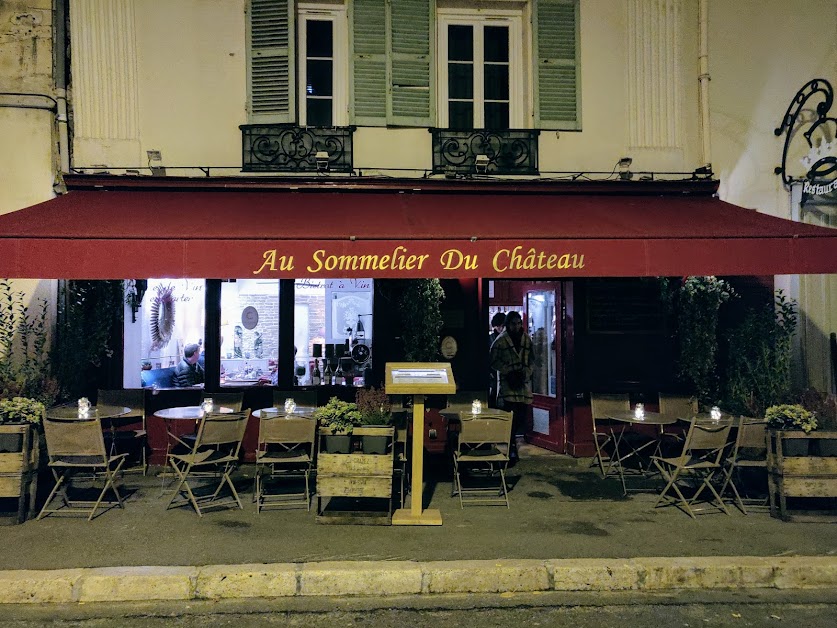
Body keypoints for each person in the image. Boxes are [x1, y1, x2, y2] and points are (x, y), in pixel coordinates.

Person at [489, 311, 533, 464]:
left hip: (522, 382)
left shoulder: (527, 339)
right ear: (508, 324)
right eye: (514, 323)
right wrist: (507, 370)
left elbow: (533, 359)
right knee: (509, 416)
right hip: (508, 383)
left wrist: (527, 372)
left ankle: (512, 444)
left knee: (520, 415)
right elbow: (493, 360)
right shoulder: (501, 341)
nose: (517, 326)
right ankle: (512, 446)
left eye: (519, 323)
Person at [488, 312, 506, 408]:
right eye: (499, 326)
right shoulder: (491, 339)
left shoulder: (492, 338)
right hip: (494, 375)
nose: (501, 329)